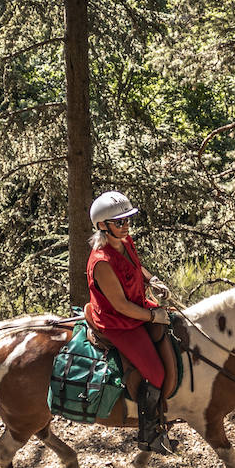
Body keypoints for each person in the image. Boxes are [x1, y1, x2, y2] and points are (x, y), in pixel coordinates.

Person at [85, 190, 177, 454]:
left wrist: (152, 280)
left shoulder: (125, 241)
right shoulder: (101, 262)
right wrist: (152, 316)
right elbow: (121, 306)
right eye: (119, 222)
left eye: (127, 220)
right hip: (119, 323)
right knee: (156, 374)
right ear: (102, 226)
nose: (126, 226)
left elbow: (137, 268)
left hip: (138, 308)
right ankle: (148, 434)